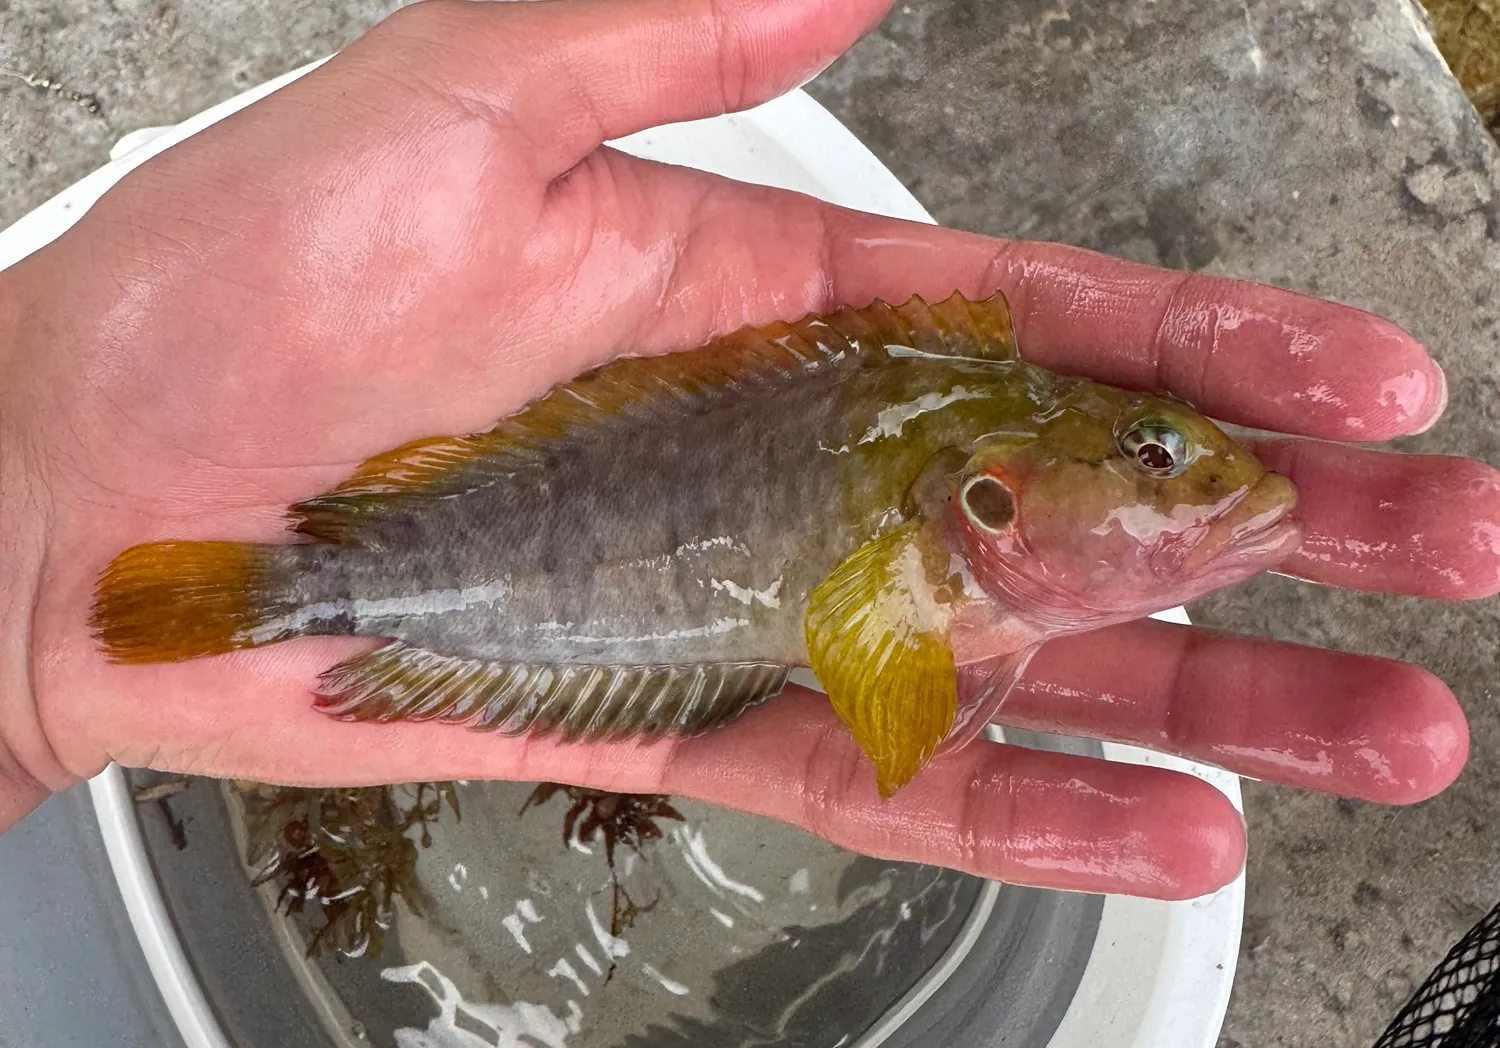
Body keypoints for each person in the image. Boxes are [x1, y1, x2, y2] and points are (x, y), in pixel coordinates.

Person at [0, 0, 1488, 901]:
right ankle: (284, 596)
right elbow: (876, 648)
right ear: (995, 494)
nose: (1207, 484)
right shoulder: (949, 484)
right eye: (1158, 456)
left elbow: (884, 643)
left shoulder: (966, 480)